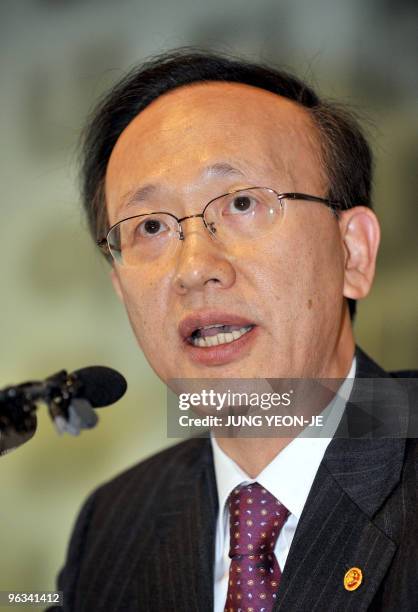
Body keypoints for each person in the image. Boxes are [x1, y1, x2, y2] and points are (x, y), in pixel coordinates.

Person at [49, 50, 417, 611]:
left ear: (353, 252)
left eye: (242, 203)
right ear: (120, 287)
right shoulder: (113, 526)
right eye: (149, 225)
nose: (195, 268)